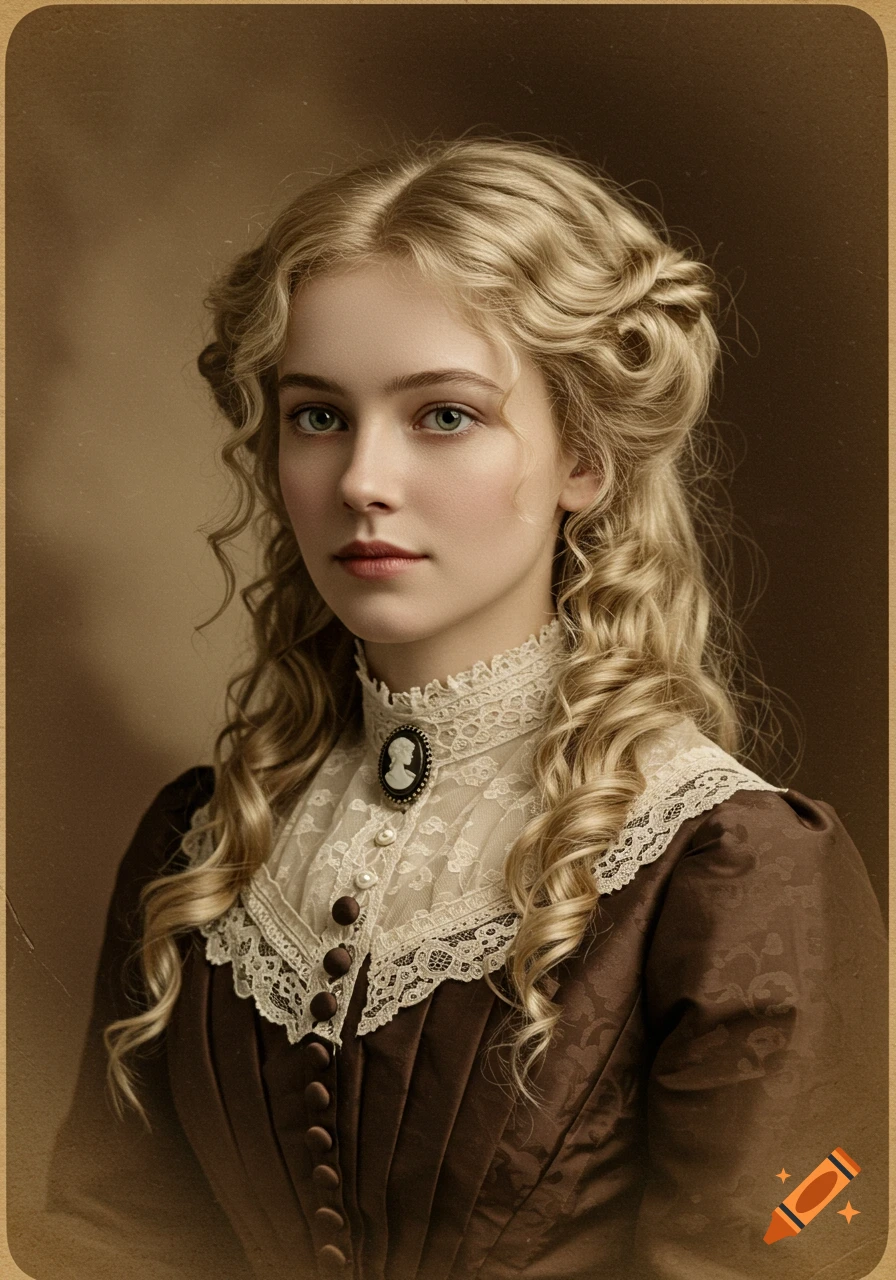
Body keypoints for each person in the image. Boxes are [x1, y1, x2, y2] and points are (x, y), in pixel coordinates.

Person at [46, 136, 886, 1280]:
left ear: (581, 456)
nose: (359, 481)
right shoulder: (200, 844)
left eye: (441, 415)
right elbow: (104, 1239)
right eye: (318, 415)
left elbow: (773, 1249)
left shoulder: (732, 864)